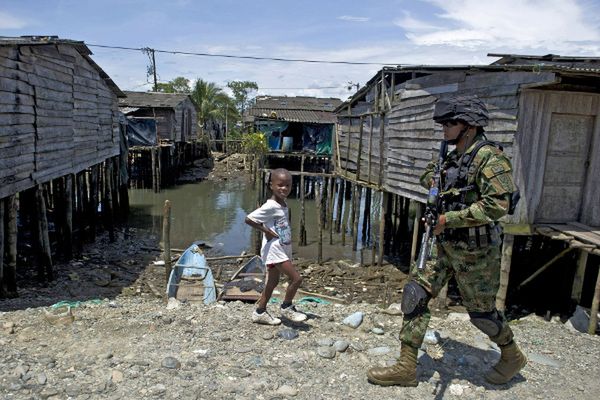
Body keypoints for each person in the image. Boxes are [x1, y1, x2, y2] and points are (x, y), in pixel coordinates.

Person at [367, 95, 526, 387]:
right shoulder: (452, 156)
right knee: (414, 295)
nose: (443, 129)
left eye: (449, 123)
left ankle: (512, 355)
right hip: (440, 245)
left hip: (476, 251)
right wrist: (433, 181)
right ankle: (406, 366)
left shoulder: (491, 158)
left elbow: (497, 206)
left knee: (482, 316)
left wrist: (448, 219)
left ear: (469, 126)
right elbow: (429, 175)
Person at [245, 168, 307, 325]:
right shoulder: (271, 205)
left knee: (272, 283)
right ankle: (286, 307)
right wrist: (267, 231)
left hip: (281, 248)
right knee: (296, 278)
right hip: (274, 250)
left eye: (288, 185)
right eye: (280, 185)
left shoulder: (283, 204)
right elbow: (249, 219)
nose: (284, 189)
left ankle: (260, 312)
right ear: (271, 185)